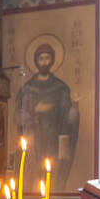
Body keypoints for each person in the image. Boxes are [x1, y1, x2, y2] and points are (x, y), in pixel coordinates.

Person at [15, 42, 79, 190]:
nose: (44, 62)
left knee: (51, 170)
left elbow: (68, 120)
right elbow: (18, 116)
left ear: (52, 61)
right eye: (41, 58)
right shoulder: (27, 88)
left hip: (52, 139)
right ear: (36, 61)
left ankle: (51, 197)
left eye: (47, 58)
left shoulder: (61, 88)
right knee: (33, 173)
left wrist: (74, 108)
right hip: (33, 137)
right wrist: (33, 111)